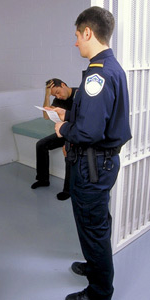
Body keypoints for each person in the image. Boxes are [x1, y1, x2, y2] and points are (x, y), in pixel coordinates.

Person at [52, 7, 132, 300]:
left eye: (77, 35)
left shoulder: (98, 74)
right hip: (100, 162)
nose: (76, 42)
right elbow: (97, 115)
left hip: (93, 164)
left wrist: (62, 128)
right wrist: (71, 109)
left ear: (88, 32)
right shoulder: (110, 68)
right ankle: (95, 266)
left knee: (92, 225)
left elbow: (89, 132)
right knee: (93, 224)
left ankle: (99, 292)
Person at [31, 78, 77, 200]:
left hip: (77, 135)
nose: (58, 96)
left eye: (58, 92)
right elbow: (46, 116)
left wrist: (68, 142)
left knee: (69, 153)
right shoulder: (58, 99)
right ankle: (43, 179)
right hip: (63, 132)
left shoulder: (79, 95)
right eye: (54, 95)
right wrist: (47, 96)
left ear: (63, 85)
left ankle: (68, 190)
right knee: (41, 144)